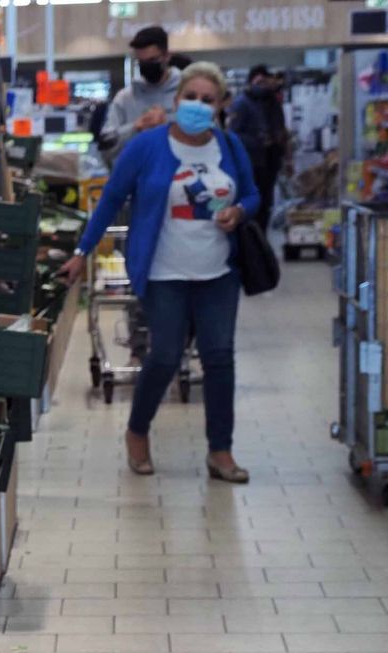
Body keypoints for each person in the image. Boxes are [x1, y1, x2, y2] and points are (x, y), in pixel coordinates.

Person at [61, 61, 262, 483]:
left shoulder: (229, 145)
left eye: (208, 100)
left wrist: (239, 210)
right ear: (176, 100)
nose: (197, 106)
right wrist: (82, 250)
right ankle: (137, 431)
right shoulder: (146, 146)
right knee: (166, 355)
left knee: (219, 359)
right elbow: (111, 198)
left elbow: (252, 192)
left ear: (221, 105)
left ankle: (221, 451)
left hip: (218, 272)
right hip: (162, 272)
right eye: (191, 97)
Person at [99, 26, 181, 164]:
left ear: (167, 56)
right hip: (138, 179)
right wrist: (135, 127)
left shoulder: (187, 92)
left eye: (152, 60)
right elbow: (105, 146)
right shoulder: (125, 98)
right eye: (141, 62)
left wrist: (168, 126)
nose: (147, 66)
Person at [227, 64, 288, 231]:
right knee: (252, 202)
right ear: (251, 82)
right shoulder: (241, 104)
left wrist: (281, 145)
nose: (263, 85)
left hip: (271, 161)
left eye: (265, 81)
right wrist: (259, 141)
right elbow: (234, 134)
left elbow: (281, 127)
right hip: (252, 162)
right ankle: (250, 240)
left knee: (266, 203)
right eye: (259, 81)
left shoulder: (273, 102)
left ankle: (261, 239)